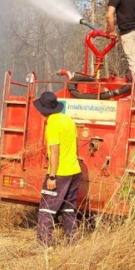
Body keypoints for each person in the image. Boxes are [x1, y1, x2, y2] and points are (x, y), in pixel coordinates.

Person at [33, 91, 82, 246]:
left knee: (47, 209)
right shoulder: (68, 120)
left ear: (42, 110)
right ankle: (73, 242)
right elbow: (75, 146)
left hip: (60, 173)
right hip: (75, 172)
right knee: (68, 209)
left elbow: (55, 151)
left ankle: (44, 245)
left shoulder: (52, 124)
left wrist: (52, 177)